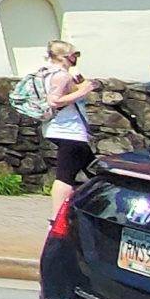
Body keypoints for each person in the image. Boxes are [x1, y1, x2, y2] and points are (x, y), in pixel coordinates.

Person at [39, 39, 94, 203]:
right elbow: (54, 101)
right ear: (65, 56)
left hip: (62, 130)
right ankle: (56, 221)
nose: (77, 58)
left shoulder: (48, 72)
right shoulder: (61, 76)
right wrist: (83, 91)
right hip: (68, 131)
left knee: (96, 171)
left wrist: (79, 81)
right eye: (75, 55)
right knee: (65, 177)